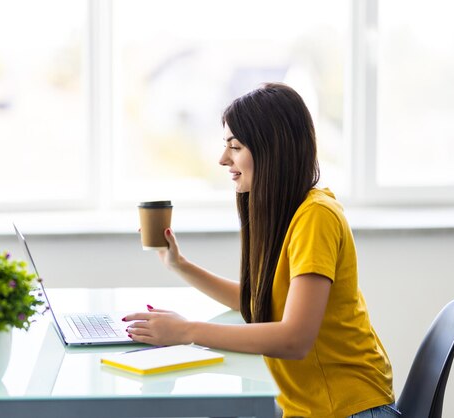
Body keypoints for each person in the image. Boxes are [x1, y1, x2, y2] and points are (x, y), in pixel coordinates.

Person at [124, 82, 397, 418]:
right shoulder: (289, 211)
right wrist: (180, 265)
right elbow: (260, 301)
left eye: (235, 147)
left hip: (348, 410)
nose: (223, 159)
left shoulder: (317, 217)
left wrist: (187, 331)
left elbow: (294, 338)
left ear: (271, 150)